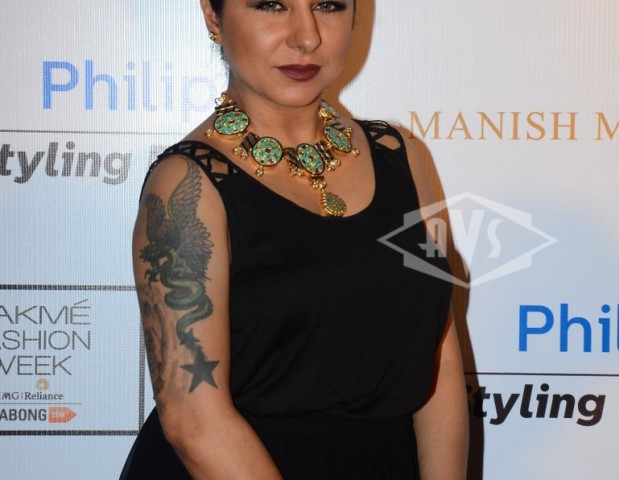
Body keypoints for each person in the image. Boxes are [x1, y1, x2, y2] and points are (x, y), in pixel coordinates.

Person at [121, 0, 469, 478]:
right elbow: (194, 423)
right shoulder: (186, 184)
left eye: (328, 5)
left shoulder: (399, 154)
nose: (307, 37)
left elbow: (438, 354)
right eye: (271, 5)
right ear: (213, 16)